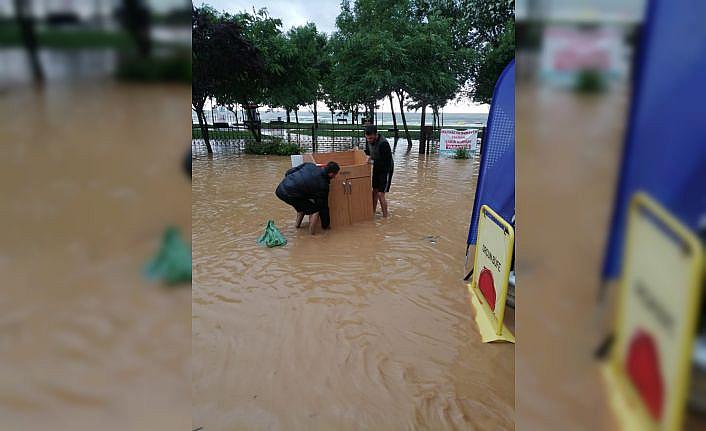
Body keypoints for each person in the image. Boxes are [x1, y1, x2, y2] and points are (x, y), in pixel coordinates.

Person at [275, 161, 340, 235]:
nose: (334, 177)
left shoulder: (310, 165)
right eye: (335, 175)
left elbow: (288, 172)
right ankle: (311, 235)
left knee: (302, 204)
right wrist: (326, 225)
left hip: (280, 189)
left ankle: (297, 226)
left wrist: (293, 184)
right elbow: (323, 206)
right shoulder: (323, 185)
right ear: (331, 174)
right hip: (291, 195)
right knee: (315, 210)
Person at [363, 124, 393, 217]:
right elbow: (368, 152)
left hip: (386, 169)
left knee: (380, 194)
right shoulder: (368, 140)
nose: (369, 140)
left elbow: (385, 162)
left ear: (376, 134)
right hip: (376, 167)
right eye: (367, 138)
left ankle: (385, 217)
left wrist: (370, 161)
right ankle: (372, 213)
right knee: (374, 191)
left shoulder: (384, 144)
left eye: (371, 138)